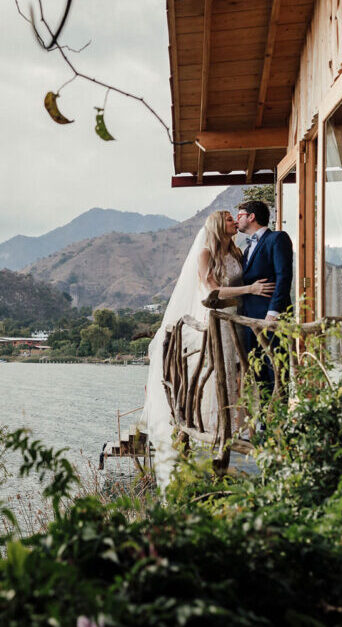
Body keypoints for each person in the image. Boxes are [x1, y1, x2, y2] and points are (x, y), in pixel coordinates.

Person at [137, 210, 274, 485]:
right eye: (228, 218)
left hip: (240, 320)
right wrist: (250, 290)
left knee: (241, 371)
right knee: (219, 371)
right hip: (219, 321)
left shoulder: (236, 252)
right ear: (216, 225)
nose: (234, 221)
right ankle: (219, 428)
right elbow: (212, 290)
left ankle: (243, 426)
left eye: (235, 217)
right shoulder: (205, 254)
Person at [236, 200, 294, 389]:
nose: (237, 221)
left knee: (277, 372)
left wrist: (273, 313)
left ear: (251, 217)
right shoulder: (246, 250)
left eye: (239, 216)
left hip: (272, 319)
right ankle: (263, 417)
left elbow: (283, 276)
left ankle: (279, 418)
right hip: (250, 321)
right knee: (257, 372)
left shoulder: (277, 238)